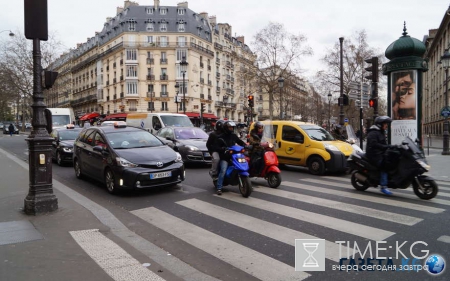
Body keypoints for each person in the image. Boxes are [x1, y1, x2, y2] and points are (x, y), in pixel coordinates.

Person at [365, 116, 394, 195]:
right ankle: (383, 186)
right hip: (374, 155)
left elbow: (383, 143)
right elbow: (375, 145)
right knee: (384, 165)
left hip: (380, 153)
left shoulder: (381, 132)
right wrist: (386, 147)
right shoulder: (373, 133)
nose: (386, 125)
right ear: (380, 124)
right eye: (385, 124)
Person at [216, 121, 246, 195]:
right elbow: (216, 147)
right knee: (223, 170)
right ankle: (219, 187)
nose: (231, 129)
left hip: (234, 156)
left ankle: (246, 183)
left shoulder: (233, 135)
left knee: (243, 164)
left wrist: (246, 145)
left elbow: (240, 142)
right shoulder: (221, 137)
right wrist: (223, 149)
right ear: (226, 128)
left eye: (232, 127)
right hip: (225, 157)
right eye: (230, 127)